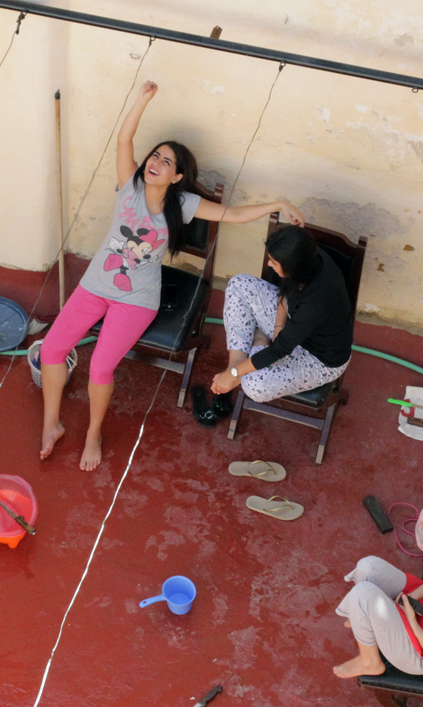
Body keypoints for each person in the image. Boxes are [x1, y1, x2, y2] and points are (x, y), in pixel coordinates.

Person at [39, 80, 305, 470]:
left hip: (135, 300)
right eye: (155, 156)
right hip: (95, 286)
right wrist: (142, 99)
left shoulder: (184, 204)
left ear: (177, 177)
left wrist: (277, 203)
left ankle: (93, 433)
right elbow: (124, 141)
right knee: (51, 349)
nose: (155, 163)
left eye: (166, 162)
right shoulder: (129, 186)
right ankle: (52, 424)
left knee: (99, 367)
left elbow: (231, 214)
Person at [207, 224, 354, 412]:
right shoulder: (310, 259)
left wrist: (240, 370)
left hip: (317, 359)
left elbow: (279, 349)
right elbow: (284, 294)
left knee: (254, 385)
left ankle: (252, 350)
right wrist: (277, 327)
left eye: (274, 262)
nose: (269, 264)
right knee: (239, 285)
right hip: (293, 325)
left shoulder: (317, 303)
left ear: (292, 266)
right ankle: (235, 365)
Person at [331, 536, 423, 678]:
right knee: (368, 567)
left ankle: (369, 662)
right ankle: (361, 615)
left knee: (362, 594)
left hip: (418, 649)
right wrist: (414, 596)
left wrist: (412, 621)